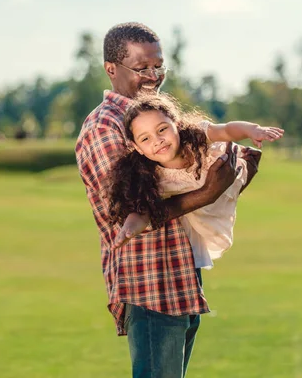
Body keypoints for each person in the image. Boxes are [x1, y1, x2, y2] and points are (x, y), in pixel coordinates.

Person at [75, 22, 260, 378]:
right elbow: (127, 212)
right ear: (111, 69)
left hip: (182, 275)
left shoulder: (157, 117)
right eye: (142, 68)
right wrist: (207, 191)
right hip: (148, 281)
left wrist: (228, 175)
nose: (153, 76)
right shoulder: (105, 127)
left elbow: (191, 169)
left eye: (159, 66)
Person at [106, 92, 284, 271]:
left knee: (244, 161)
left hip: (224, 176)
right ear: (138, 148)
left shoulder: (196, 136)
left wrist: (252, 130)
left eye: (162, 129)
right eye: (145, 138)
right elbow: (142, 214)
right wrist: (128, 229)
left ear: (176, 125)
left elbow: (226, 130)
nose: (158, 140)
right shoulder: (151, 177)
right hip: (202, 213)